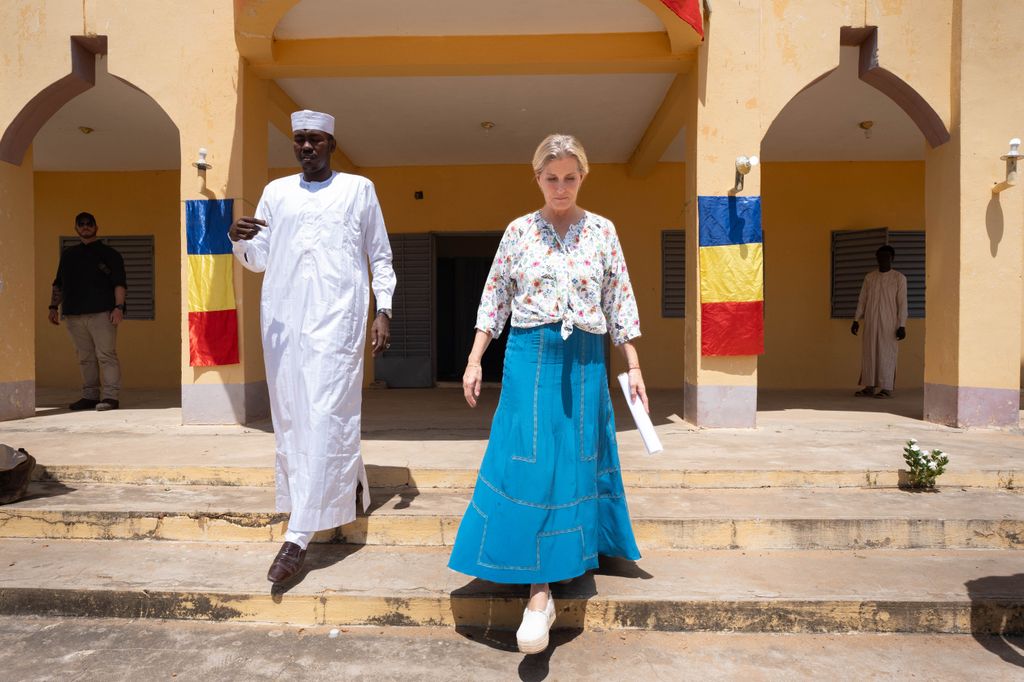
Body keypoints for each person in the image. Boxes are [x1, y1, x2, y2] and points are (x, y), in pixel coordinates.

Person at [448, 134, 646, 654]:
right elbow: (495, 297)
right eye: (551, 177)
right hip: (529, 357)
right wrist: (473, 357)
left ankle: (569, 558)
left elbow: (618, 298)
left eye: (570, 178)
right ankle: (539, 588)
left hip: (584, 359)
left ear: (583, 177)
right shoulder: (518, 232)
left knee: (577, 460)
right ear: (537, 177)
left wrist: (634, 365)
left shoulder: (602, 231)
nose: (561, 187)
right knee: (529, 461)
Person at [230, 110, 396, 584]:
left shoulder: (358, 190)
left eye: (315, 140)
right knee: (294, 419)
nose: (306, 147)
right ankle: (348, 484)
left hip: (337, 321)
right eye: (299, 140)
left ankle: (298, 535)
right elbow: (258, 260)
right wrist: (237, 240)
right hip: (284, 321)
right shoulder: (275, 193)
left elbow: (379, 254)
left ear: (331, 145)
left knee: (326, 413)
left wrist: (382, 309)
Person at [48, 211, 127, 411]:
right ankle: (90, 396)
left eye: (89, 223)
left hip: (102, 313)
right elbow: (58, 284)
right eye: (81, 224)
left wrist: (119, 308)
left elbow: (119, 283)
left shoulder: (110, 254)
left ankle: (110, 397)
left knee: (106, 355)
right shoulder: (68, 255)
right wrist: (52, 307)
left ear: (96, 227)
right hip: (74, 315)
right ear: (76, 228)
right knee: (85, 357)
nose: (85, 226)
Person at [851, 244, 907, 398]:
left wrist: (902, 325)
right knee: (869, 352)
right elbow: (862, 300)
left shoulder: (899, 278)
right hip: (871, 320)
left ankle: (886, 388)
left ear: (892, 258)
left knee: (886, 353)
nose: (882, 260)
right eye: (880, 257)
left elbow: (902, 303)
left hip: (889, 322)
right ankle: (869, 386)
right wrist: (856, 319)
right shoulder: (870, 277)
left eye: (886, 257)